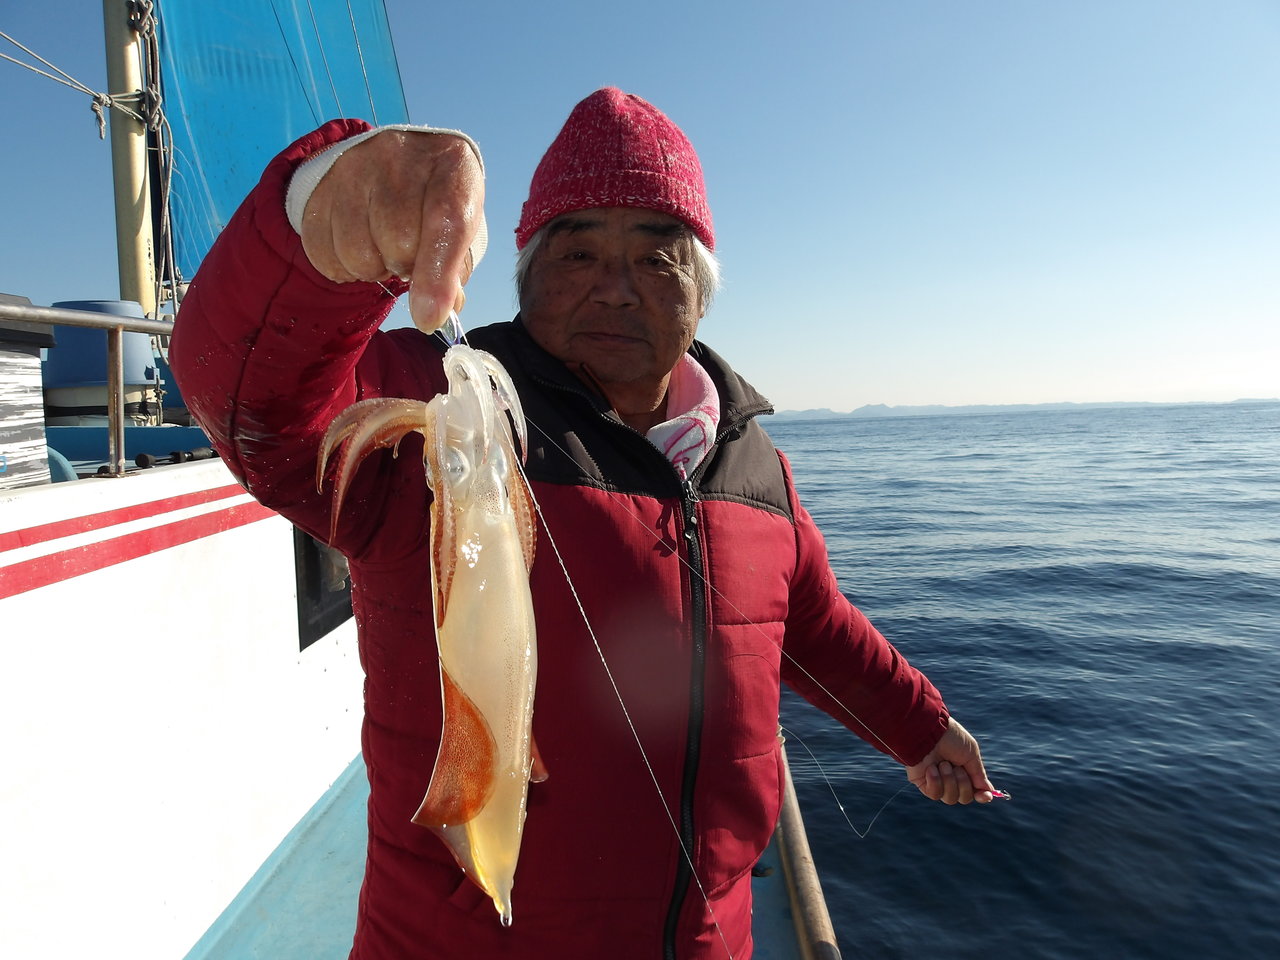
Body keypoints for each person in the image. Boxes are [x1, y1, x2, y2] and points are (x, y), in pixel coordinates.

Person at [170, 87, 997, 960]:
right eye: (577, 253)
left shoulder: (753, 463)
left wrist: (920, 728)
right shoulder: (435, 401)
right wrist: (316, 236)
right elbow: (257, 404)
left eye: (656, 257)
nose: (614, 289)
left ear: (701, 290)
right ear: (525, 276)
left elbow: (813, 626)